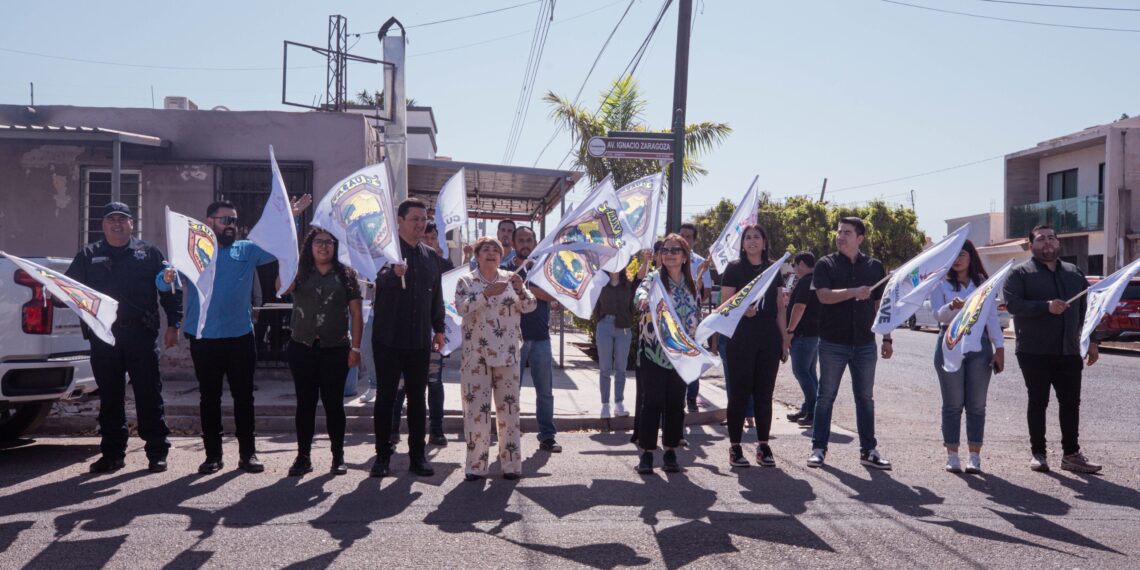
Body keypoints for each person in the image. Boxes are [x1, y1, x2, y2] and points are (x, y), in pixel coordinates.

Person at [162, 197, 309, 474]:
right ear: (210, 222)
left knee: (244, 398)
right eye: (226, 220)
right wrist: (167, 277)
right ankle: (213, 456)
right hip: (204, 336)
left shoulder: (247, 250)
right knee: (210, 398)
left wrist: (291, 217)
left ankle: (248, 454)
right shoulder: (192, 251)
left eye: (234, 221)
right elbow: (165, 280)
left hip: (240, 336)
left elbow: (280, 245)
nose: (232, 226)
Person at [65, 202, 181, 474]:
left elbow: (170, 289)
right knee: (110, 397)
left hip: (140, 334)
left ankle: (156, 452)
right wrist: (51, 292)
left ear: (132, 223)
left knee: (149, 394)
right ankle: (113, 454)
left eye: (122, 219)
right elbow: (70, 290)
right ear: (103, 225)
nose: (117, 224)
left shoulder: (149, 253)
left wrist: (173, 324)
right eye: (111, 220)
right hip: (104, 336)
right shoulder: (87, 255)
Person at [1002, 224, 1101, 474]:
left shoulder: (1074, 272)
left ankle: (1071, 454)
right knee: (1038, 401)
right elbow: (1013, 305)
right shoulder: (1019, 273)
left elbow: (1087, 309)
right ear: (1031, 245)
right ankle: (1039, 453)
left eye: (1051, 238)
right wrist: (1045, 307)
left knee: (1070, 403)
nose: (1047, 243)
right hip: (1034, 351)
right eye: (1041, 239)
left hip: (1069, 350)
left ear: (1058, 243)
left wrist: (1093, 340)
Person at [807, 217, 893, 470]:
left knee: (865, 398)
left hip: (866, 343)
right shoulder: (826, 264)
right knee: (825, 397)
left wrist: (887, 337)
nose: (840, 236)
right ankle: (818, 448)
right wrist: (853, 292)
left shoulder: (875, 266)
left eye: (847, 232)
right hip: (833, 342)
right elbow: (823, 296)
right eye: (839, 231)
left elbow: (880, 305)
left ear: (860, 238)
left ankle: (868, 450)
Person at [369, 198, 446, 478]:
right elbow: (374, 281)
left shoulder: (430, 257)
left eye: (423, 219)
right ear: (399, 220)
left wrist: (439, 328)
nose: (420, 224)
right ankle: (382, 456)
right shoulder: (384, 252)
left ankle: (417, 456)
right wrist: (392, 274)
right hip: (388, 338)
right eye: (414, 219)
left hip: (419, 340)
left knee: (417, 398)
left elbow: (436, 295)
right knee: (387, 398)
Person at [281, 229, 362, 476]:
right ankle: (303, 457)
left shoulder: (346, 275)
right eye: (319, 242)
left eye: (329, 242)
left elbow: (356, 314)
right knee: (305, 404)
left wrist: (356, 348)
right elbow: (282, 289)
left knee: (334, 404)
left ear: (336, 247)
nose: (324, 247)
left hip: (335, 349)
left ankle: (338, 456)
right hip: (302, 347)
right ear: (310, 245)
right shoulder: (299, 271)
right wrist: (286, 261)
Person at [454, 237, 537, 480]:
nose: (491, 253)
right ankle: (476, 466)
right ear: (477, 255)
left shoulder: (511, 278)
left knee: (509, 413)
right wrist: (486, 294)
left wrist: (521, 289)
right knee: (476, 413)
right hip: (476, 357)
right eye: (486, 250)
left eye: (496, 250)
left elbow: (530, 305)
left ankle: (511, 466)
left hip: (508, 355)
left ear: (501, 256)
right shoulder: (466, 280)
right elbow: (460, 307)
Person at [930, 240, 1004, 474]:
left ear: (971, 257)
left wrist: (999, 348)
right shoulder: (939, 282)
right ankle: (952, 454)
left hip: (978, 346)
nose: (957, 260)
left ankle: (974, 455)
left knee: (976, 405)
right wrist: (951, 307)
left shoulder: (982, 283)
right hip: (949, 344)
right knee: (952, 404)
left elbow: (992, 317)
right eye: (953, 255)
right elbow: (938, 316)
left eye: (962, 254)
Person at [718, 225, 789, 468]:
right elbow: (724, 305)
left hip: (768, 336)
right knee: (738, 393)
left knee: (764, 394)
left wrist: (784, 338)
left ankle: (763, 445)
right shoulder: (734, 268)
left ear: (765, 242)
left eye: (757, 237)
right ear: (742, 243)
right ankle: (735, 447)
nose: (752, 241)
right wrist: (740, 310)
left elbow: (780, 307)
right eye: (747, 237)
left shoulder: (773, 269)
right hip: (741, 336)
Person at [632, 233, 702, 474]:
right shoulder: (654, 279)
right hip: (654, 352)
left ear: (684, 256)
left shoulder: (692, 285)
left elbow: (696, 316)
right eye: (665, 250)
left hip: (681, 355)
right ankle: (648, 453)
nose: (669, 253)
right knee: (651, 403)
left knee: (675, 403)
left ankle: (671, 450)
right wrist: (642, 301)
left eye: (675, 250)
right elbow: (639, 293)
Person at [390, 221, 452, 446]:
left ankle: (436, 429)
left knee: (434, 382)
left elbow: (445, 299)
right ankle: (393, 429)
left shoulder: (444, 263)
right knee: (400, 384)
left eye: (432, 237)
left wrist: (440, 330)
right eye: (425, 237)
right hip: (404, 336)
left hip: (433, 335)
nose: (428, 241)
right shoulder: (400, 259)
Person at [503, 226, 562, 452]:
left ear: (535, 242)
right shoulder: (506, 269)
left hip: (540, 338)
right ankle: (510, 436)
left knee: (545, 392)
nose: (525, 243)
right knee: (511, 392)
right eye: (521, 240)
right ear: (514, 242)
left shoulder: (543, 269)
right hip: (513, 339)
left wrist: (525, 286)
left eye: (529, 239)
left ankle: (547, 436)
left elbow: (552, 296)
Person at [593, 259, 644, 419]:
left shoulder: (628, 285)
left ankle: (619, 403)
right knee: (605, 368)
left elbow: (640, 277)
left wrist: (647, 258)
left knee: (621, 368)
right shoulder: (600, 283)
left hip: (623, 328)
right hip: (604, 325)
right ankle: (605, 405)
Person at [677, 223, 713, 413]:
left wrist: (692, 300)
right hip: (673, 317)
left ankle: (692, 396)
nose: (684, 239)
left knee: (692, 356)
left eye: (688, 236)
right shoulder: (670, 257)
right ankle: (676, 396)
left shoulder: (700, 263)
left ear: (694, 240)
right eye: (681, 235)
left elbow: (705, 290)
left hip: (693, 318)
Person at [786, 252, 821, 428]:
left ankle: (815, 412)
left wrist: (790, 330)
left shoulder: (806, 281)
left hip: (802, 335)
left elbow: (799, 307)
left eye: (794, 265)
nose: (794, 269)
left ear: (800, 263)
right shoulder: (815, 280)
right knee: (810, 373)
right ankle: (808, 408)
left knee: (801, 372)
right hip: (813, 335)